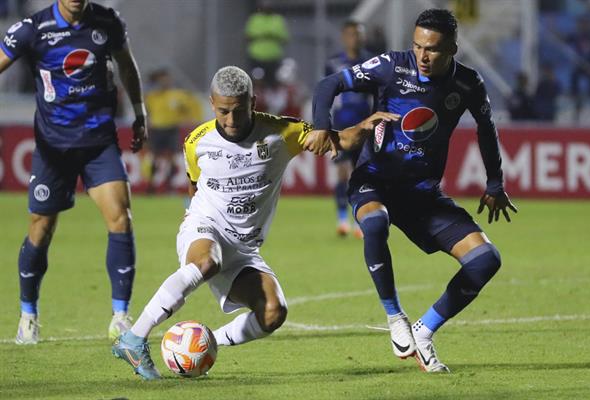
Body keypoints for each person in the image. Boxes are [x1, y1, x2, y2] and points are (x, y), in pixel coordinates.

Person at [307, 9, 517, 372]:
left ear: (452, 47)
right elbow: (329, 84)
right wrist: (322, 126)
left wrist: (495, 182)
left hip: (422, 194)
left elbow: (486, 128)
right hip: (375, 178)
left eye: (432, 49)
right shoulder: (391, 65)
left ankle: (424, 330)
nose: (422, 55)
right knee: (374, 223)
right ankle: (395, 317)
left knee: (486, 260)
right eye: (417, 45)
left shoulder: (467, 83)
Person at [111, 66, 324, 380]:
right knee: (206, 261)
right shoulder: (197, 141)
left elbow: (334, 138)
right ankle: (134, 338)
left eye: (238, 110)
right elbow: (194, 186)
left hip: (244, 248)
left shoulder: (279, 133)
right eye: (223, 111)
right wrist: (196, 219)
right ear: (212, 103)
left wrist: (362, 127)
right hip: (206, 226)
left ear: (252, 101)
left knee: (273, 313)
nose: (230, 119)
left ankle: (206, 342)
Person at [0, 0, 147, 344]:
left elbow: (127, 66)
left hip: (99, 143)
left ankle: (121, 316)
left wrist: (139, 111)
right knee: (41, 228)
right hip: (53, 149)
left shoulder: (107, 22)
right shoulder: (32, 29)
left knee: (121, 217)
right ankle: (28, 315)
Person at [325, 20, 373, 237]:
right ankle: (342, 220)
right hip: (341, 126)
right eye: (352, 34)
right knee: (343, 173)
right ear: (344, 37)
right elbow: (326, 94)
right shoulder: (333, 63)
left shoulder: (371, 62)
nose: (356, 38)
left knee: (361, 176)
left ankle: (359, 220)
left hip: (365, 127)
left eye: (359, 34)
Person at [144, 68, 202, 193]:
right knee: (154, 158)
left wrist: (190, 119)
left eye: (166, 80)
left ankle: (169, 186)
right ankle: (152, 185)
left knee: (171, 158)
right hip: (157, 129)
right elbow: (147, 113)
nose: (165, 82)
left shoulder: (177, 95)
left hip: (171, 129)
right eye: (162, 80)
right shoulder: (152, 96)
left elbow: (188, 108)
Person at [245, 1, 289, 86]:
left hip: (273, 57)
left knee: (273, 83)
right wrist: (261, 36)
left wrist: (272, 36)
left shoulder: (278, 20)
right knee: (256, 81)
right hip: (256, 56)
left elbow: (285, 39)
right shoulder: (255, 19)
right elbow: (247, 37)